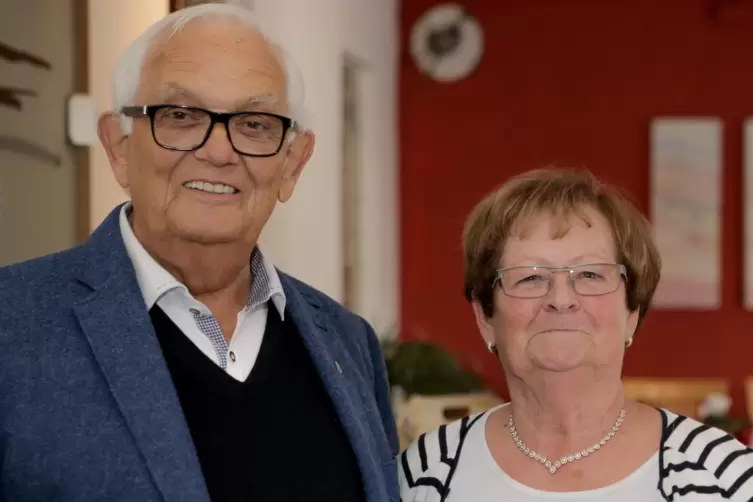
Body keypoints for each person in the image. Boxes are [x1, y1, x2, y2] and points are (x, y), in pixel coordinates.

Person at [0, 4, 398, 501]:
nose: (218, 151)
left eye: (254, 123)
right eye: (182, 116)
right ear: (119, 147)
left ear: (292, 164)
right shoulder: (13, 326)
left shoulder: (348, 342)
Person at [399, 168, 753, 501]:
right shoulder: (425, 475)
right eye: (530, 277)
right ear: (485, 317)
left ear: (632, 311)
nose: (561, 299)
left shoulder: (725, 480)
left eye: (590, 275)